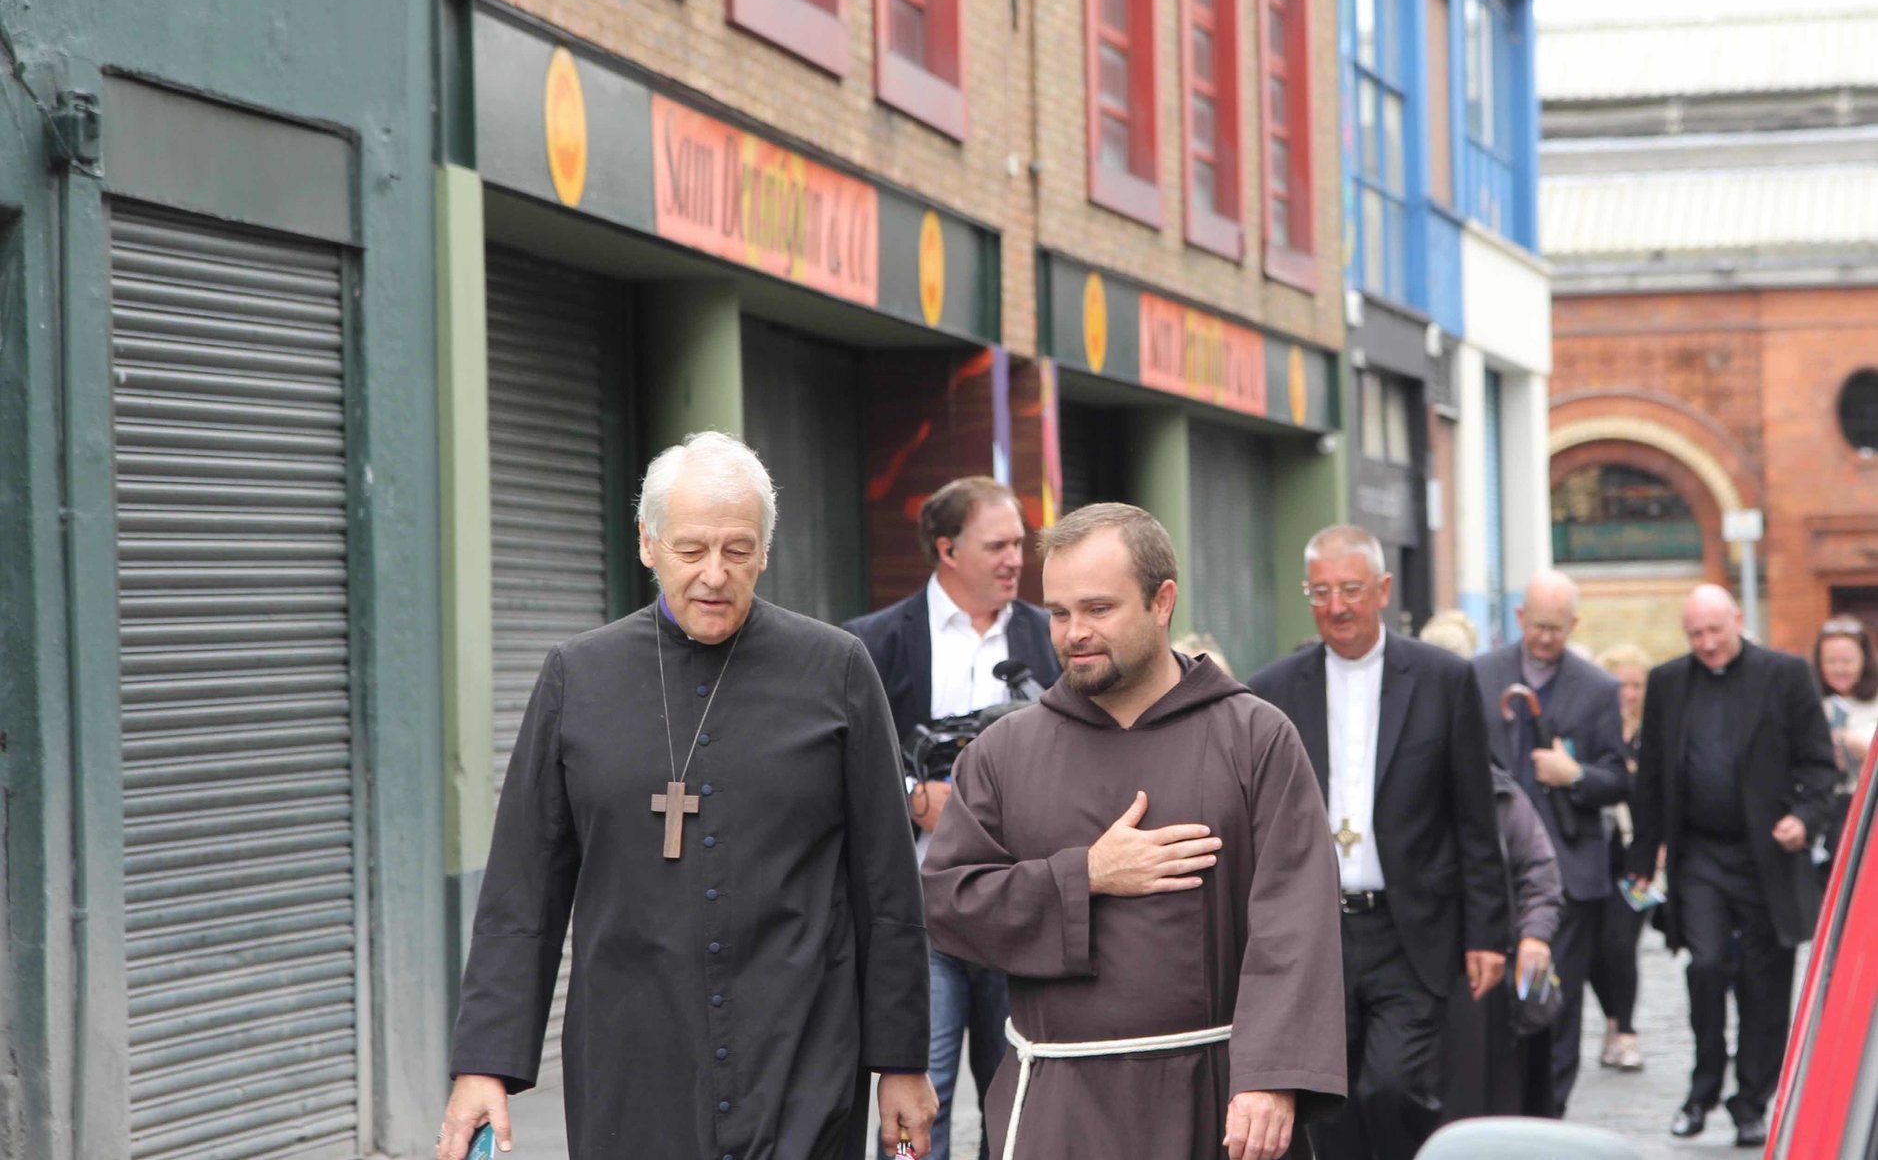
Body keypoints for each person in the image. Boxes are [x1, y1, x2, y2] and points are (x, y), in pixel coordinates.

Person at [438, 432, 937, 1160]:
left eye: (737, 550)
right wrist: (483, 1061)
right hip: (631, 1061)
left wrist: (902, 1061)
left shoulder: (837, 672)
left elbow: (888, 886)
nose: (714, 574)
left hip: (800, 1054)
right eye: (691, 549)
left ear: (765, 551)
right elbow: (524, 887)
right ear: (647, 543)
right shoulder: (578, 677)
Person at [922, 503, 1347, 1160]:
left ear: (1162, 600)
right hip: (1058, 1110)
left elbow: (1296, 918)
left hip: (1218, 1100)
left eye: (1098, 608)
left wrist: (1271, 1077)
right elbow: (948, 900)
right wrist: (1084, 875)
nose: (1073, 633)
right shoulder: (1004, 751)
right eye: (1060, 613)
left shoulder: (1254, 736)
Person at [1247, 525, 1508, 1160]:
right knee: (1326, 1101)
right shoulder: (1273, 690)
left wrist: (1487, 933)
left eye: (1351, 589)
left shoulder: (1444, 680)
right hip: (1314, 933)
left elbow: (1474, 814)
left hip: (1407, 928)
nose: (1336, 606)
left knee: (1394, 1088)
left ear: (1384, 589)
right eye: (1321, 591)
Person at [844, 476, 1060, 1160]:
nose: (1014, 559)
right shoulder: (871, 642)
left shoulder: (1053, 631)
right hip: (922, 915)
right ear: (947, 548)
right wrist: (914, 796)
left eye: (1019, 544)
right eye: (997, 544)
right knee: (915, 1100)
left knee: (1024, 1101)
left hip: (1022, 912)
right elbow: (843, 758)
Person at [1626, 584, 1837, 1147]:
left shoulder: (1785, 675)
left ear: (1737, 620)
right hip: (1700, 855)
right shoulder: (1669, 682)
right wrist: (1643, 858)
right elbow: (1650, 776)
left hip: (1767, 853)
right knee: (1707, 964)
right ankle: (1703, 1087)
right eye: (1695, 633)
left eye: (1716, 630)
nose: (1707, 643)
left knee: (1767, 981)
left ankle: (1751, 1102)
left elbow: (1820, 765)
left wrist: (1804, 818)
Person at [1471, 570, 1629, 1116]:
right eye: (1537, 626)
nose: (1544, 638)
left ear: (1573, 625)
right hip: (1491, 867)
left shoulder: (1598, 688)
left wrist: (1576, 775)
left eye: (1556, 629)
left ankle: (1549, 1117)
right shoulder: (1478, 676)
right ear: (1519, 619)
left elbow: (1619, 777)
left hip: (1569, 870)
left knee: (1554, 1003)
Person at [1438, 763, 1564, 1122]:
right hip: (1412, 966)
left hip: (1486, 968)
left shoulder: (1499, 793)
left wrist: (1535, 936)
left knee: (1491, 1103)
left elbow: (1540, 873)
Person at [1587, 643, 1652, 1073]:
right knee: (1594, 950)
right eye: (1620, 684)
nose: (1627, 693)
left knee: (1620, 942)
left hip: (1639, 855)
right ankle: (1612, 1022)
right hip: (1598, 850)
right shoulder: (1598, 728)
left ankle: (1626, 1031)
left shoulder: (1654, 732)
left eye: (1635, 685)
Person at [1812, 615, 1878, 857]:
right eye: (1831, 661)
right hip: (1825, 813)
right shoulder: (1811, 703)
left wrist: (1858, 747)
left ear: (1865, 660)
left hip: (1868, 811)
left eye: (1847, 660)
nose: (1839, 668)